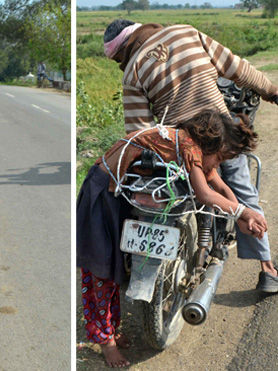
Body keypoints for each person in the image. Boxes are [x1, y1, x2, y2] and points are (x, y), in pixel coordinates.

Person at [77, 110, 266, 367]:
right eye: (220, 157)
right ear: (210, 144)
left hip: (120, 194)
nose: (218, 165)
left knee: (115, 268)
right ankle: (105, 341)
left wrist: (241, 217)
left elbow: (218, 184)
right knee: (100, 270)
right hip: (102, 193)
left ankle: (110, 329)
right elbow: (206, 194)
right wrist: (243, 211)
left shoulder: (188, 144)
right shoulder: (188, 146)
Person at [103, 19, 278, 292]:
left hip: (178, 146)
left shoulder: (133, 71)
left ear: (123, 50)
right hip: (220, 133)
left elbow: (138, 133)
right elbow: (236, 68)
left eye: (118, 59)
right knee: (241, 185)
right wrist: (271, 91)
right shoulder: (186, 33)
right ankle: (267, 269)